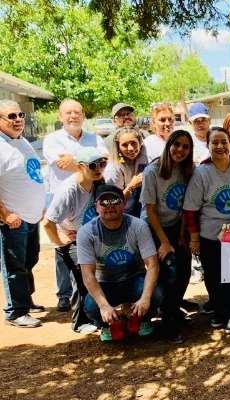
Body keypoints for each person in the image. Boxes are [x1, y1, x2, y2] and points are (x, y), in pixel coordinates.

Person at [182, 127, 230, 332]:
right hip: (210, 235)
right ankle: (218, 310)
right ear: (207, 145)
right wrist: (195, 238)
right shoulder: (201, 173)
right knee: (214, 275)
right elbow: (190, 209)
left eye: (223, 141)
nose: (219, 146)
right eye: (214, 142)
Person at [43, 99, 107, 311]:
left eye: (77, 112)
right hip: (63, 200)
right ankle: (64, 295)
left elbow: (103, 160)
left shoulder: (94, 137)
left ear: (83, 116)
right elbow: (64, 163)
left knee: (86, 251)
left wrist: (79, 161)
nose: (73, 116)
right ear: (60, 116)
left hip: (88, 197)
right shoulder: (52, 139)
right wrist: (86, 163)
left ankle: (85, 296)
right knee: (64, 248)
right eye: (68, 113)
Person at [77, 184, 161, 342]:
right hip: (105, 282)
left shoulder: (138, 226)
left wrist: (145, 298)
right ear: (96, 207)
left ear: (124, 203)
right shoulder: (86, 232)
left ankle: (142, 319)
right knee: (90, 306)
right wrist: (103, 306)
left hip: (134, 278)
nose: (110, 206)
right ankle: (109, 323)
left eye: (115, 201)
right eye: (104, 203)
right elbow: (88, 275)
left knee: (156, 294)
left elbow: (152, 264)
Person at [43, 147, 106, 332]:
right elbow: (47, 222)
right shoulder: (69, 190)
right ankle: (80, 322)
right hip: (72, 239)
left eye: (102, 164)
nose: (98, 168)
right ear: (80, 167)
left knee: (96, 276)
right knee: (81, 279)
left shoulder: (98, 181)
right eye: (93, 165)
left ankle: (95, 315)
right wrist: (60, 242)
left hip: (88, 236)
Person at [140, 129, 194, 343]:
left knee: (185, 270)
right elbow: (150, 210)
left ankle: (173, 308)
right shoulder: (153, 171)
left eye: (185, 146)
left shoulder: (187, 170)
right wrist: (164, 241)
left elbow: (185, 207)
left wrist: (181, 235)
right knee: (169, 270)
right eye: (176, 144)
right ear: (168, 145)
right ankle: (168, 321)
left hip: (176, 226)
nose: (180, 150)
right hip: (154, 227)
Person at [0, 100, 46, 327]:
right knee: (14, 265)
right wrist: (6, 214)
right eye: (11, 116)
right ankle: (15, 311)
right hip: (12, 220)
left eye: (20, 115)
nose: (18, 119)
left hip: (31, 217)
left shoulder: (22, 141)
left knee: (30, 259)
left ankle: (25, 301)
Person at [104, 126, 148, 216]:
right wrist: (131, 186)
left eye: (133, 143)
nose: (130, 148)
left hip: (138, 209)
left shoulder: (143, 157)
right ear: (118, 147)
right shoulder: (114, 169)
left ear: (140, 143)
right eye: (124, 145)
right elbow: (112, 203)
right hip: (121, 213)